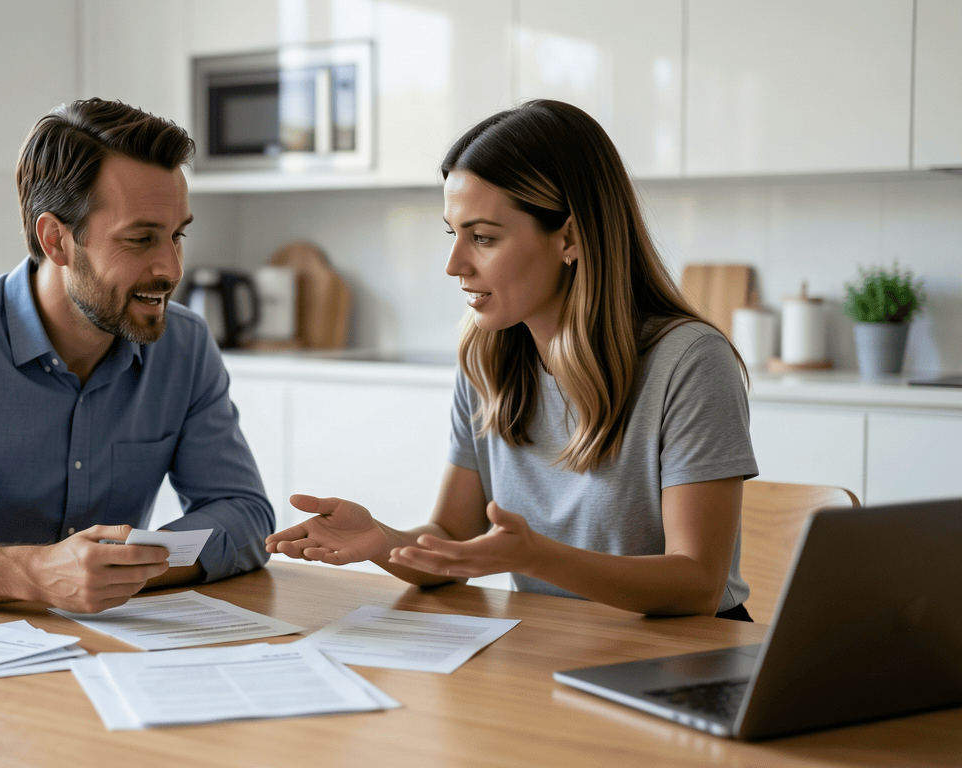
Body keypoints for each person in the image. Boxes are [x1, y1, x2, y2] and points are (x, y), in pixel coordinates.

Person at [266, 99, 759, 619]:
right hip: (558, 643)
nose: (455, 264)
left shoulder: (689, 362)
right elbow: (454, 537)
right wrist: (382, 540)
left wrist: (537, 557)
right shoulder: (487, 358)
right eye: (452, 234)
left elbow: (699, 580)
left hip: (687, 654)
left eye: (482, 238)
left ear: (569, 236)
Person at [0, 98, 273, 614]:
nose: (172, 268)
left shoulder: (185, 346)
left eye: (177, 235)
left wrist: (123, 570)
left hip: (113, 655)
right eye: (141, 239)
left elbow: (244, 513)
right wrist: (37, 574)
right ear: (55, 239)